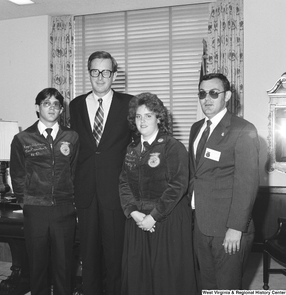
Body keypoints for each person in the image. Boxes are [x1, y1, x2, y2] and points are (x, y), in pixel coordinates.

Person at [119, 92, 197, 295]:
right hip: (138, 220)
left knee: (166, 279)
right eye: (138, 116)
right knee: (139, 278)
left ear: (159, 118)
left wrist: (153, 217)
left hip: (166, 220)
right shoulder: (131, 148)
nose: (142, 121)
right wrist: (134, 213)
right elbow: (123, 183)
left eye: (148, 115)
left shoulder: (172, 147)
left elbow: (177, 186)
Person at [69, 51, 133, 295]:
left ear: (114, 75)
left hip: (115, 192)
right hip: (85, 192)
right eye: (95, 71)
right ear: (89, 73)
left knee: (115, 257)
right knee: (89, 256)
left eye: (105, 72)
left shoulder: (129, 104)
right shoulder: (75, 105)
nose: (100, 77)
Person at [188, 73, 260, 290]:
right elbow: (196, 175)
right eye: (202, 93)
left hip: (228, 228)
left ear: (227, 96)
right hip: (200, 224)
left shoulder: (243, 129)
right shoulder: (196, 128)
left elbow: (247, 184)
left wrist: (236, 228)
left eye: (213, 93)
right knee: (207, 285)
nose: (206, 99)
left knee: (227, 287)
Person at [10, 88, 80, 295]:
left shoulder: (72, 137)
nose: (52, 108)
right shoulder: (22, 138)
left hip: (64, 209)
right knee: (37, 265)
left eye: (56, 104)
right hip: (36, 210)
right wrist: (26, 202)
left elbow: (75, 171)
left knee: (64, 266)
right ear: (37, 107)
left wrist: (71, 200)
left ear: (61, 110)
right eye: (46, 103)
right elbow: (17, 174)